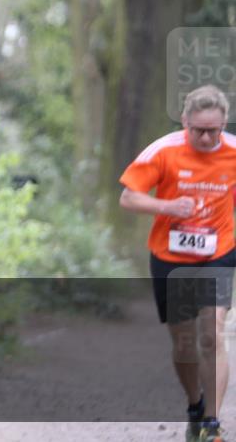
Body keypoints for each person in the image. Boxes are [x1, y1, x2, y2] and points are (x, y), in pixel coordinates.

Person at [120, 84, 236, 442]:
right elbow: (128, 197)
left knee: (212, 333)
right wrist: (166, 206)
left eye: (213, 131)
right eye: (198, 130)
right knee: (184, 342)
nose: (206, 138)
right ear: (185, 121)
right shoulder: (164, 150)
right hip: (170, 256)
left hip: (218, 253)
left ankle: (212, 425)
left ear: (224, 123)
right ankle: (195, 406)